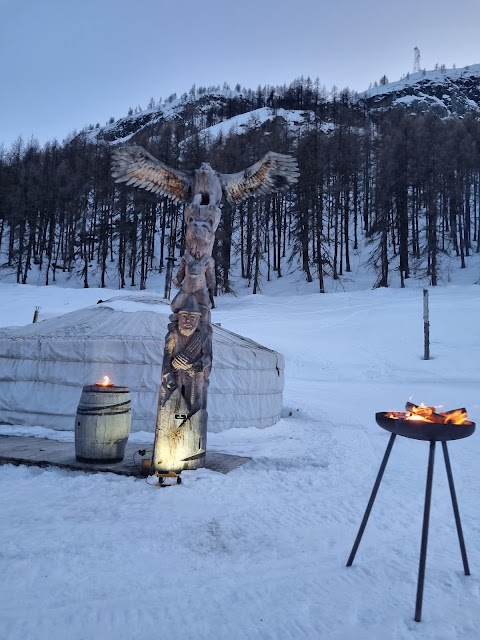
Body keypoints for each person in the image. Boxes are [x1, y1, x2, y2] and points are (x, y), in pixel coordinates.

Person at [160, 294, 212, 416]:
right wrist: (168, 376)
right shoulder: (173, 335)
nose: (188, 321)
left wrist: (196, 366)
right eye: (184, 317)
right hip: (175, 375)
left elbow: (207, 357)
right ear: (178, 318)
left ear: (198, 320)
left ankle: (192, 421)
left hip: (193, 376)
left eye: (192, 317)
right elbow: (166, 359)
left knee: (193, 403)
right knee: (173, 403)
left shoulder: (203, 336)